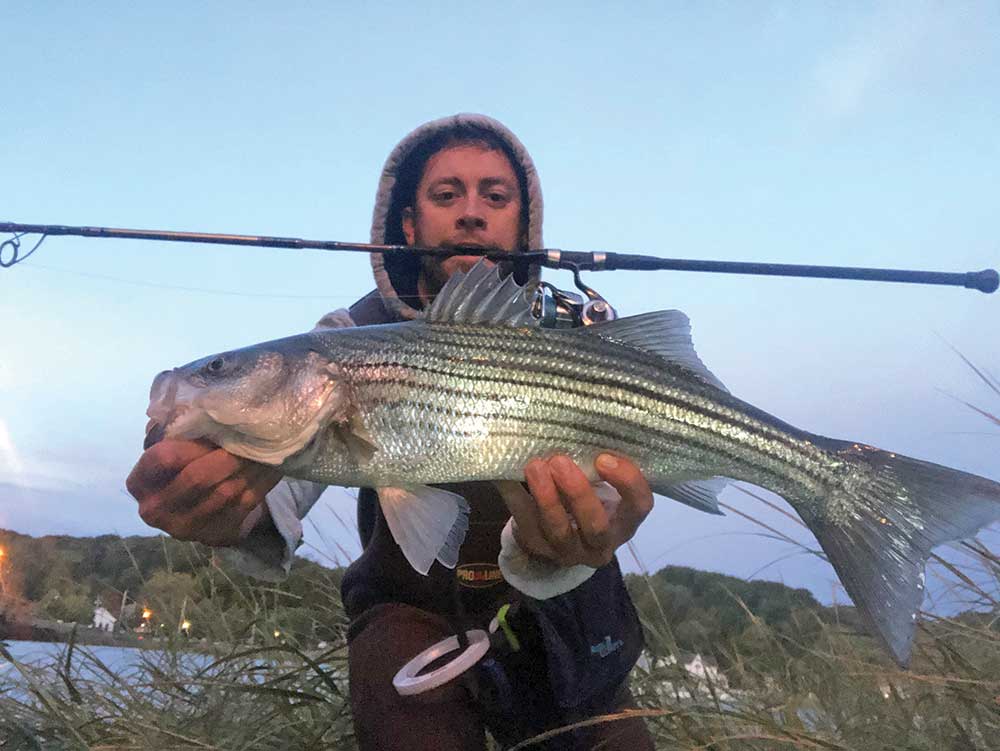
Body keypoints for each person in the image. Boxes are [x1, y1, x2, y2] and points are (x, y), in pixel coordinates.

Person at [127, 113, 656, 750]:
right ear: (408, 224)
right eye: (445, 194)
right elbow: (278, 494)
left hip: (568, 609)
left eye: (494, 196)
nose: (470, 213)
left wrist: (582, 534)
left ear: (523, 224)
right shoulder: (341, 337)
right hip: (411, 614)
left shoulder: (575, 339)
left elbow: (610, 498)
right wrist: (227, 510)